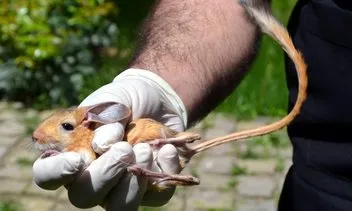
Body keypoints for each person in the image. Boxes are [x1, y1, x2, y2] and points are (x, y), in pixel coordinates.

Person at [32, 0, 352, 210]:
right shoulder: (94, 134)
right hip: (325, 185)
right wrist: (156, 82)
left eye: (65, 127)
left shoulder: (88, 131)